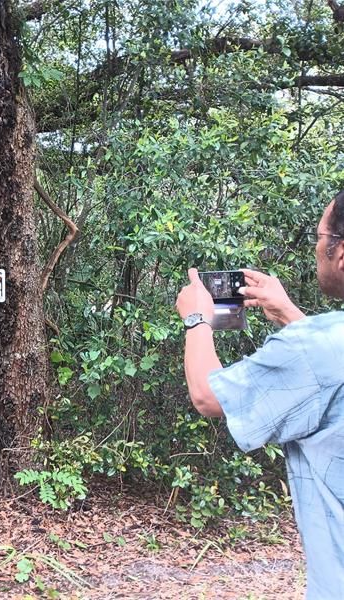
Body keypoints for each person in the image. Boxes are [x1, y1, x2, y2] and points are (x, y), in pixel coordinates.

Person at [175, 190, 344, 600]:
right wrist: (289, 314)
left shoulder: (320, 348)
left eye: (320, 238)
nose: (317, 249)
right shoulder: (325, 345)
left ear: (341, 253)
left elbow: (208, 396)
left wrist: (197, 316)